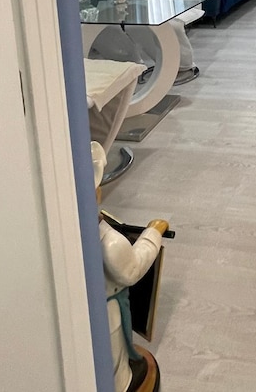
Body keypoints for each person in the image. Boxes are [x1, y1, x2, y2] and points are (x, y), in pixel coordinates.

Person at [92, 142, 168, 392]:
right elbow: (133, 267)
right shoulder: (109, 242)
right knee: (114, 367)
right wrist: (153, 233)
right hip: (106, 312)